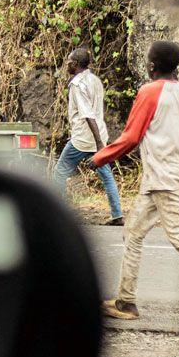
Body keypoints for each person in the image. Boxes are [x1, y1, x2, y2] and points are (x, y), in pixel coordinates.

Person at [88, 40, 179, 320]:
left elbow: (131, 136)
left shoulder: (150, 91)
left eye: (148, 60)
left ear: (152, 65)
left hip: (162, 176)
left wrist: (100, 157)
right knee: (133, 232)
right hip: (166, 175)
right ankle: (126, 302)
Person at [53, 48, 123, 225]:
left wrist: (99, 143)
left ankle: (56, 215)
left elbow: (87, 114)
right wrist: (100, 143)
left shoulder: (77, 85)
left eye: (69, 61)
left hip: (83, 140)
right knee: (107, 176)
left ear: (75, 64)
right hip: (99, 134)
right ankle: (117, 215)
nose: (67, 64)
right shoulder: (95, 80)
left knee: (59, 174)